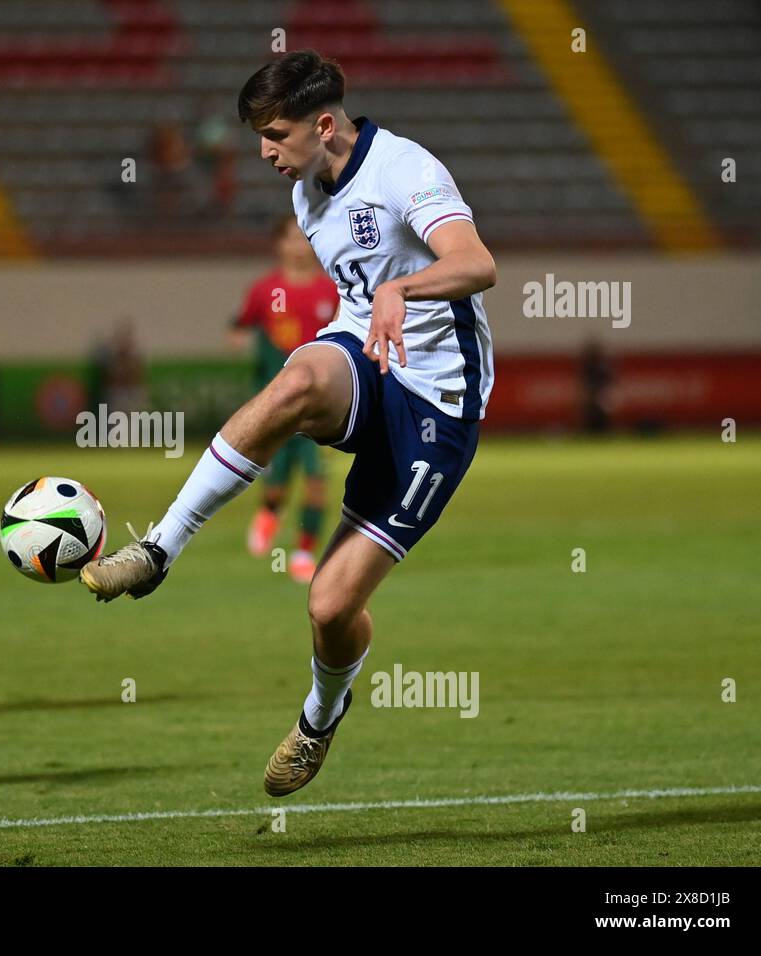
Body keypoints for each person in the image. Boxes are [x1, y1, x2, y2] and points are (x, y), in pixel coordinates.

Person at [81, 50, 495, 798]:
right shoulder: (307, 193)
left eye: (275, 135)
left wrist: (406, 286)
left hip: (438, 399)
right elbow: (358, 294)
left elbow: (475, 263)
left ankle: (318, 717)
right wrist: (364, 319)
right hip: (366, 359)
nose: (265, 152)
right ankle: (160, 550)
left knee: (332, 608)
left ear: (325, 123)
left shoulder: (406, 169)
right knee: (296, 378)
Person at [231, 215, 339, 582]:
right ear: (279, 245)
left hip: (319, 405)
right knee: (277, 480)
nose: (299, 246)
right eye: (291, 239)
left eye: (305, 238)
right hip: (277, 403)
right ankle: (269, 511)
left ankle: (305, 552)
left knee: (315, 480)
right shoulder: (264, 291)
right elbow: (239, 326)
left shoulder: (331, 291)